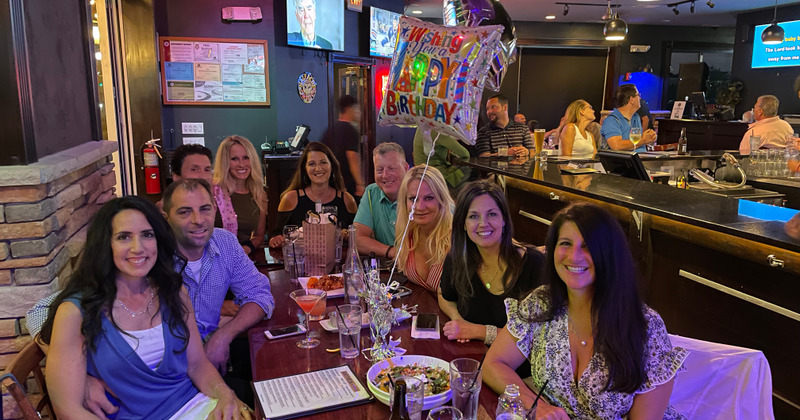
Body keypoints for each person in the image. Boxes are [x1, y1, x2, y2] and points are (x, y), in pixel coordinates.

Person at [28, 179, 274, 415]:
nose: (138, 248)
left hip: (194, 387)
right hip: (151, 397)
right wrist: (77, 374)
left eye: (147, 235)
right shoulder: (87, 303)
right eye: (124, 237)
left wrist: (224, 383)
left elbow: (258, 296)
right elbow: (42, 313)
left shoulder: (174, 285)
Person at [483, 202, 687, 419]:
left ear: (609, 254)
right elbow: (493, 364)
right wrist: (538, 406)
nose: (574, 256)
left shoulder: (646, 326)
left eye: (588, 245)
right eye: (565, 243)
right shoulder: (542, 303)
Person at [439, 181, 544, 347]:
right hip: (472, 357)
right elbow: (445, 296)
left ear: (504, 219)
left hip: (520, 370)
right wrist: (457, 319)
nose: (483, 223)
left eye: (492, 214)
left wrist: (478, 331)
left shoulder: (535, 264)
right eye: (473, 216)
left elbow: (539, 337)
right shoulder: (458, 257)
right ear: (463, 225)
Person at [267, 142, 357, 247]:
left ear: (331, 165)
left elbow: (357, 235)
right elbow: (275, 236)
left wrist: (348, 235)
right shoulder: (290, 198)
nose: (318, 168)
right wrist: (275, 240)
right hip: (302, 261)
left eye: (323, 162)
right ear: (305, 168)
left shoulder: (347, 199)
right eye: (312, 164)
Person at [394, 165, 454, 293]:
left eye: (429, 198)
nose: (420, 207)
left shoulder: (456, 238)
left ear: (441, 199)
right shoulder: (409, 234)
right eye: (413, 199)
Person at [213, 135, 268, 256]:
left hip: (242, 259)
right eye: (234, 159)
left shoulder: (260, 195)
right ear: (225, 162)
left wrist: (247, 248)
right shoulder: (213, 192)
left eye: (246, 158)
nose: (241, 164)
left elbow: (259, 236)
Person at [354, 142, 410, 258]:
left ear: (405, 168)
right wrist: (392, 252)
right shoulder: (371, 192)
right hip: (388, 267)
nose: (385, 175)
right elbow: (357, 240)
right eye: (379, 170)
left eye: (392, 168)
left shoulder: (421, 193)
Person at [321, 95, 365, 198]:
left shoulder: (331, 128)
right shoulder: (350, 130)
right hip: (346, 182)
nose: (359, 113)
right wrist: (360, 183)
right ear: (348, 109)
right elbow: (352, 157)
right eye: (357, 109)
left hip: (330, 181)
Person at [156, 144, 214, 211]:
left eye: (207, 170)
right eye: (194, 170)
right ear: (176, 177)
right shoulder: (165, 211)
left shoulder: (219, 201)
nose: (204, 176)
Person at [601, 84, 657, 152]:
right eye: (638, 95)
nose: (640, 98)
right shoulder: (611, 120)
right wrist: (643, 140)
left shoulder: (636, 117)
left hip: (641, 158)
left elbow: (640, 143)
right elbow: (617, 146)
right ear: (631, 100)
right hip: (625, 161)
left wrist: (650, 137)